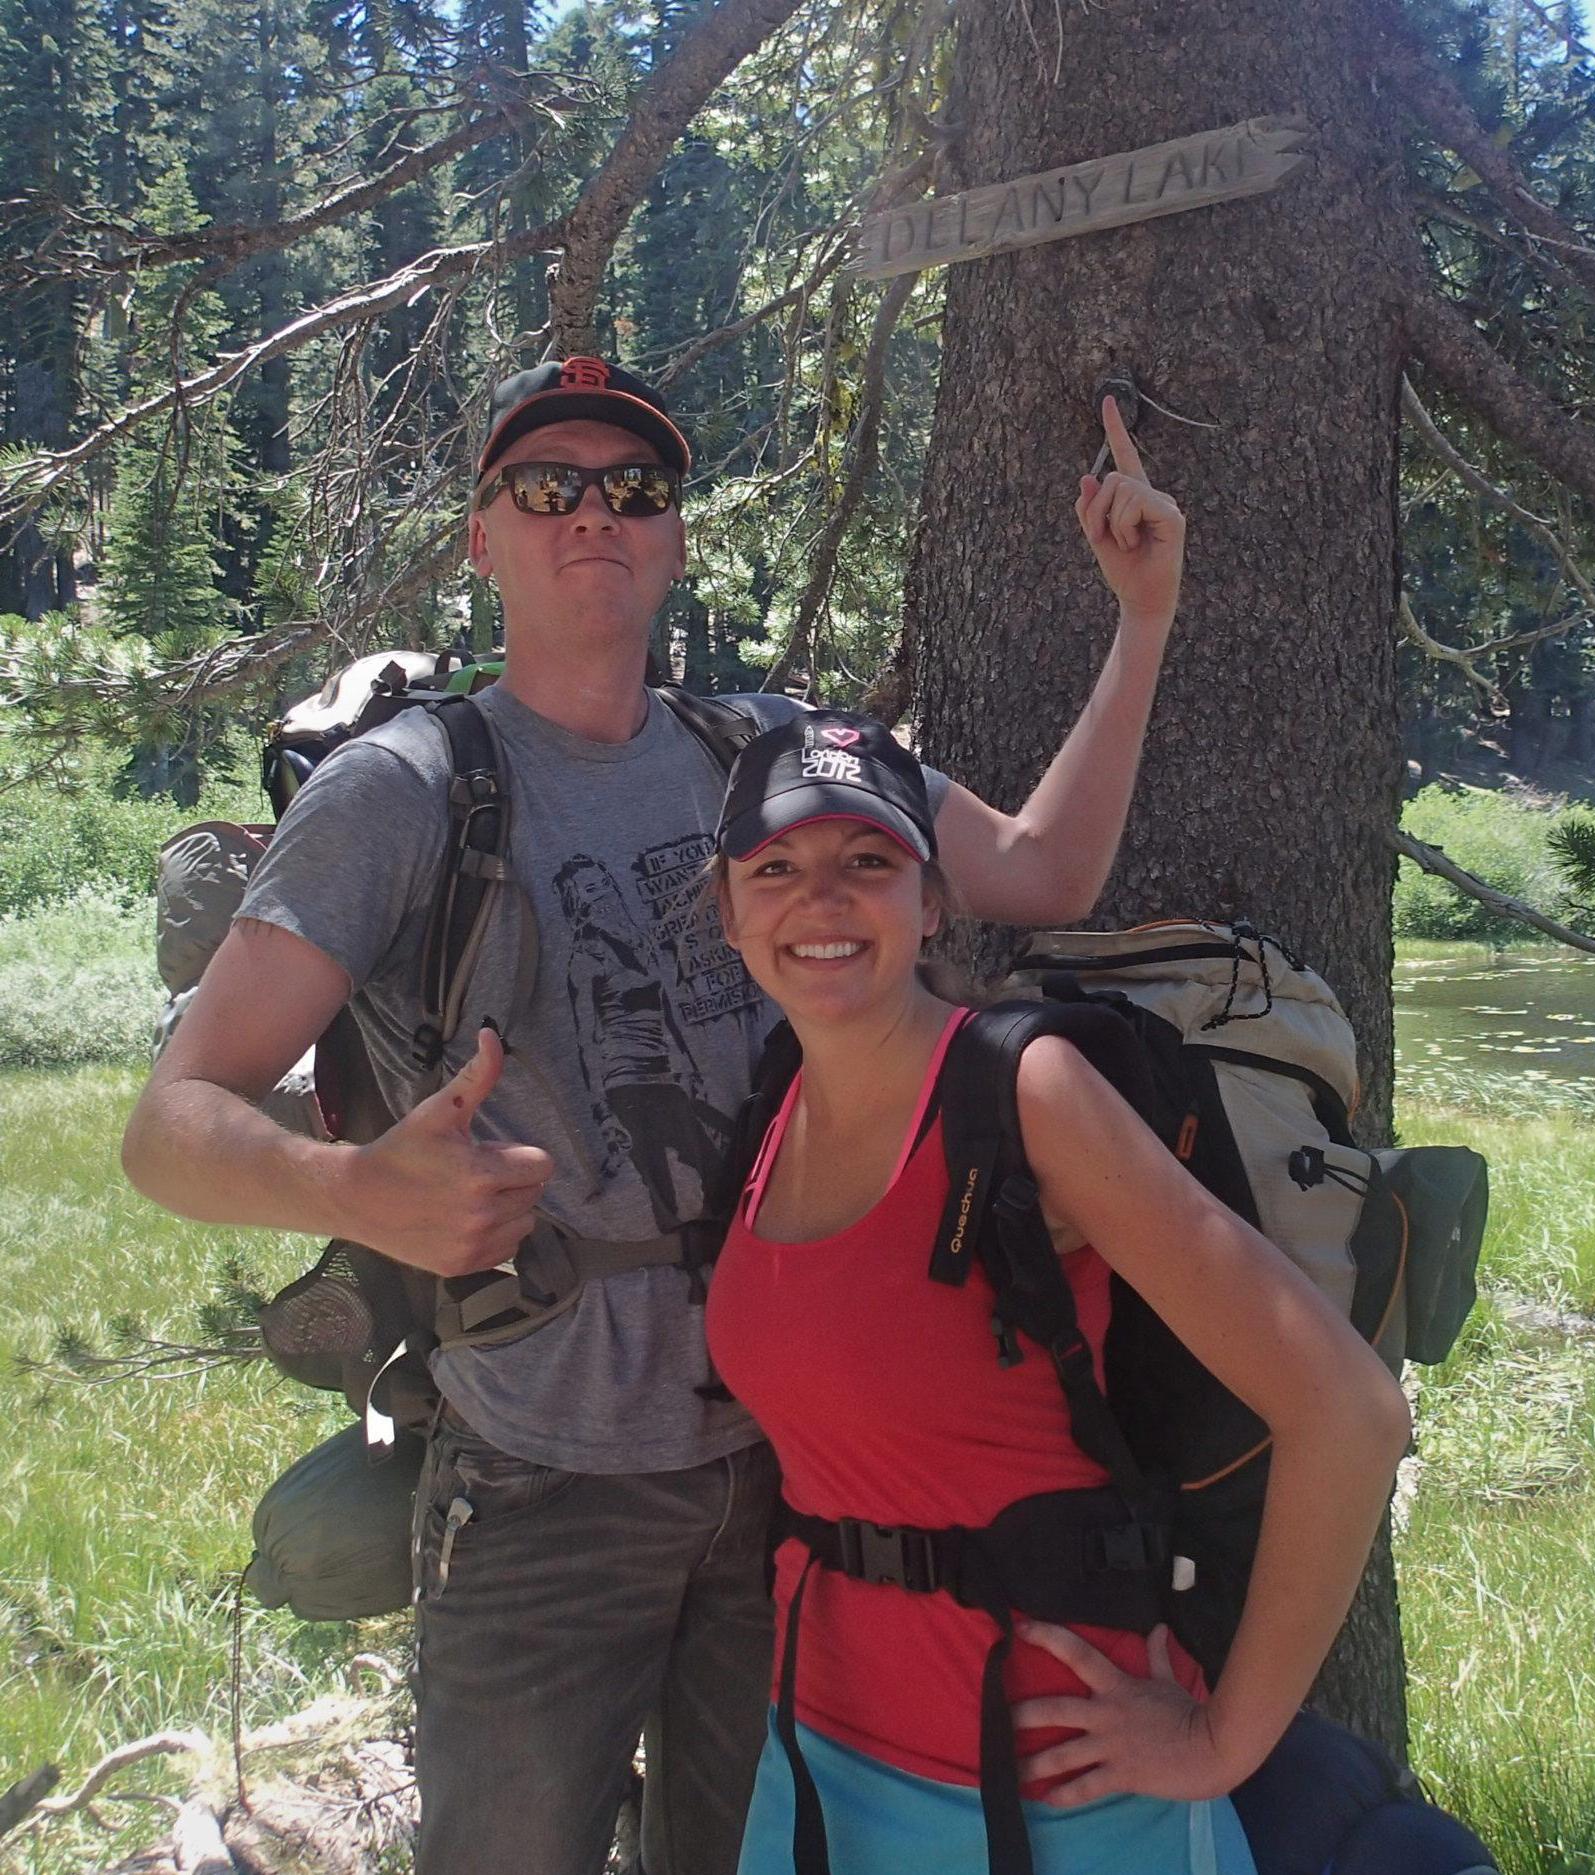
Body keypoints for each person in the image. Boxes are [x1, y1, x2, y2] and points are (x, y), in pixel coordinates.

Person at [119, 354, 1187, 1875]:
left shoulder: (759, 753)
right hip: (538, 1477)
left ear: (675, 536)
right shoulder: (405, 790)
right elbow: (167, 1125)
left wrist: (1139, 620)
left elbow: (1040, 869)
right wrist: (353, 1186)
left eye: (635, 490)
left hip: (792, 1466)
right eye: (543, 488)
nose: (592, 516)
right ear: (482, 537)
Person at [703, 710, 1412, 1874]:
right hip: (816, 1759)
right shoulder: (778, 1101)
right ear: (728, 913)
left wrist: (1223, 1743)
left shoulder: (1027, 1093)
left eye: (866, 863)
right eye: (775, 868)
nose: (819, 900)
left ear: (932, 901)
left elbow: (1349, 1412)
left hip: (1052, 1789)